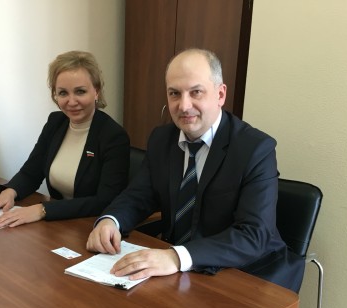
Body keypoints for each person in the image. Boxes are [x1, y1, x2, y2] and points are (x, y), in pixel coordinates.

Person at [86, 48, 304, 292]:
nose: (184, 105)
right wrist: (111, 220)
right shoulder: (162, 139)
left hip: (243, 274)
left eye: (196, 92)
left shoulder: (255, 149)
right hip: (181, 275)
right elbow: (139, 195)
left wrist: (176, 257)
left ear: (220, 94)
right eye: (174, 93)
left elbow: (253, 235)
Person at [0, 50, 130, 227]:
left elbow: (105, 200)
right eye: (63, 93)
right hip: (57, 225)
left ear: (96, 91)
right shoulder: (56, 122)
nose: (71, 101)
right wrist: (10, 192)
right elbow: (31, 172)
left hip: (91, 226)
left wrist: (43, 210)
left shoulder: (113, 136)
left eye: (80, 91)